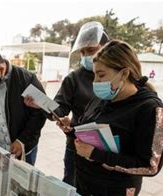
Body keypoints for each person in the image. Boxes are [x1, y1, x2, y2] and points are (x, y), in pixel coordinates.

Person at [60, 40, 163, 196]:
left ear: (124, 73)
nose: (95, 81)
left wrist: (95, 154)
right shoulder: (102, 98)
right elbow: (89, 131)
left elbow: (150, 166)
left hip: (113, 194)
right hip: (83, 183)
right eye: (95, 75)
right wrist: (72, 130)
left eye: (101, 75)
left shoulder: (151, 111)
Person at [24, 21, 109, 185]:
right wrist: (41, 104)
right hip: (76, 144)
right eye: (83, 52)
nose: (87, 57)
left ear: (106, 47)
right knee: (72, 187)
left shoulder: (117, 77)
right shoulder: (74, 78)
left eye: (91, 51)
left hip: (107, 149)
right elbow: (60, 110)